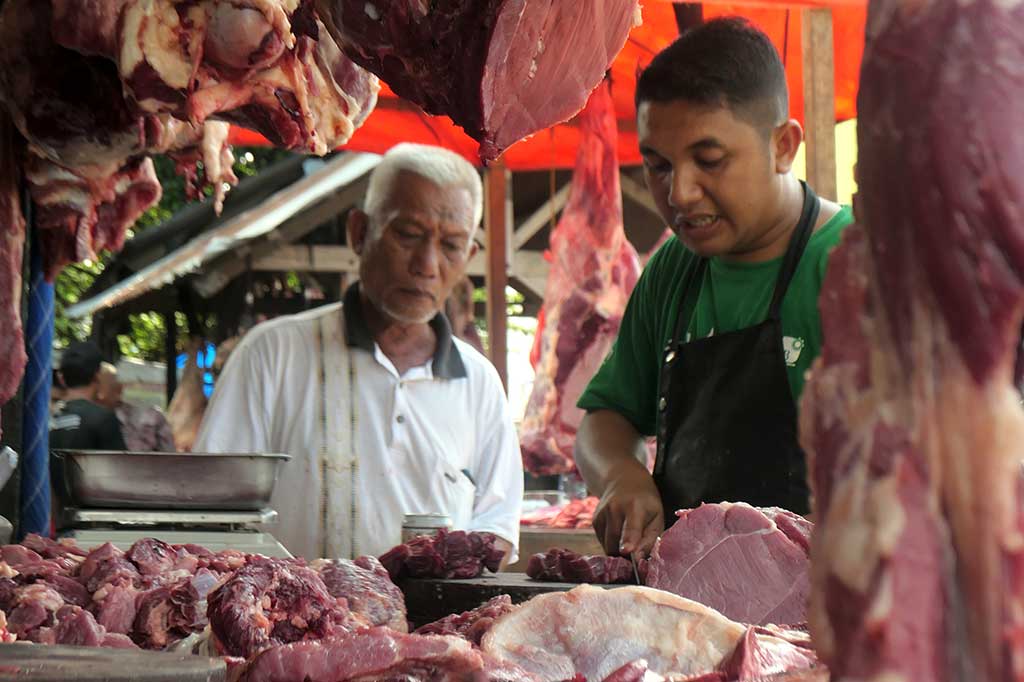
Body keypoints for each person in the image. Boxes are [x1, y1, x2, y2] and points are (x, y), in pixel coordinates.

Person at [575, 17, 853, 558]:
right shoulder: (673, 270)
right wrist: (620, 476)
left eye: (709, 161)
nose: (679, 192)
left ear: (782, 146)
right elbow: (605, 419)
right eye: (658, 165)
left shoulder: (855, 269)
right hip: (689, 615)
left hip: (828, 623)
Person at [194, 143, 524, 562]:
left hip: (436, 626)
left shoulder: (478, 383)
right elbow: (215, 515)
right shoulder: (273, 355)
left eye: (451, 245)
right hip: (296, 622)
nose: (426, 263)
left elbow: (495, 531)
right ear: (359, 233)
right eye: (408, 234)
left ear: (469, 257)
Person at [50, 342, 127, 451]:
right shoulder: (104, 419)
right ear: (97, 376)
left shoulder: (51, 419)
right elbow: (120, 464)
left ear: (61, 379)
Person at [94, 362, 176, 452]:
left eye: (99, 388)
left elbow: (172, 459)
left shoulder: (151, 418)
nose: (96, 396)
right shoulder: (82, 419)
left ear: (119, 389)